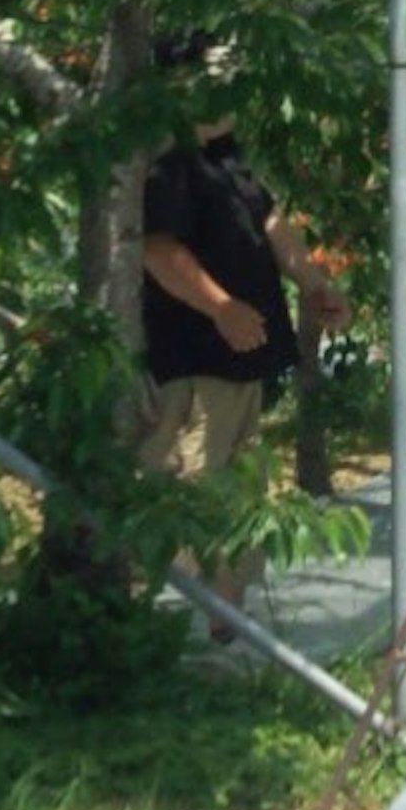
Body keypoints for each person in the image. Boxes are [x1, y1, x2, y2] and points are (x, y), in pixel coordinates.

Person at [134, 39, 336, 491]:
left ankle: (237, 565)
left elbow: (266, 217)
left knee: (240, 494)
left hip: (239, 361)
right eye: (222, 78)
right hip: (195, 365)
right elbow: (158, 249)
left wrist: (313, 282)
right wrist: (221, 307)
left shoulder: (222, 150)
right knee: (196, 494)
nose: (235, 90)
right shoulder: (166, 158)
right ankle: (185, 567)